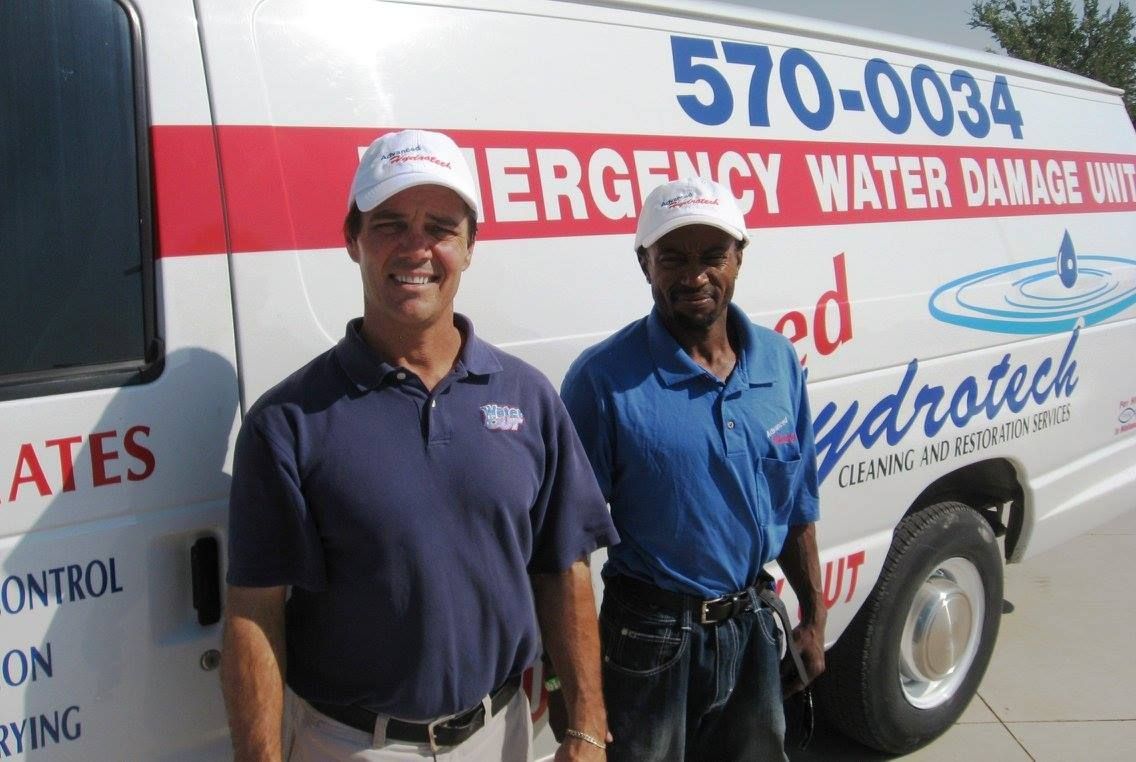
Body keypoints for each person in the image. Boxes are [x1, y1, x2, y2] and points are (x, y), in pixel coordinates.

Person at [221, 129, 619, 762]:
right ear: (352, 240)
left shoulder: (528, 397)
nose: (416, 248)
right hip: (354, 746)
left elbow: (563, 567)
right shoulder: (289, 422)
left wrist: (587, 726)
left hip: (504, 734)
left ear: (469, 245)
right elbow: (253, 612)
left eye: (440, 225)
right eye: (389, 224)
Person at [560, 177, 826, 761]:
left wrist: (813, 618)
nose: (694, 275)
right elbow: (564, 549)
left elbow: (798, 502)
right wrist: (578, 696)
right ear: (644, 264)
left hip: (754, 627)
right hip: (651, 640)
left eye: (713, 256)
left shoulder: (778, 363)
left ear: (739, 258)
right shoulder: (603, 379)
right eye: (672, 257)